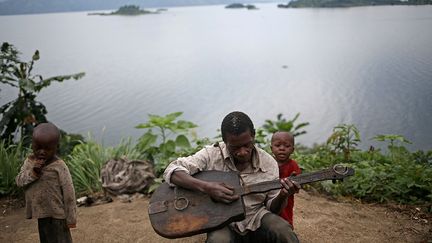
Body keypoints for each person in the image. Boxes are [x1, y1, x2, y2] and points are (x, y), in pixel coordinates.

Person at [164, 111, 300, 243]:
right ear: (224, 141)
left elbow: (273, 209)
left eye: (247, 145)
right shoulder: (211, 154)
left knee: (284, 231)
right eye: (234, 147)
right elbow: (172, 170)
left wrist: (283, 195)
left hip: (256, 217)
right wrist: (206, 187)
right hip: (222, 222)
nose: (242, 152)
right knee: (218, 240)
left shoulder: (269, 163)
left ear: (253, 135)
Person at [16, 123, 76, 243]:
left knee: (62, 239)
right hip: (41, 213)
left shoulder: (59, 166)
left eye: (47, 149)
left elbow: (69, 193)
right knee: (46, 238)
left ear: (56, 148)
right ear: (32, 144)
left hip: (59, 215)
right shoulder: (29, 162)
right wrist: (33, 173)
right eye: (38, 147)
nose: (42, 152)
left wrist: (71, 219)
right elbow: (19, 181)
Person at [271, 131, 302, 228]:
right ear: (271, 148)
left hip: (287, 198)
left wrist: (295, 183)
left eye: (287, 146)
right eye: (277, 145)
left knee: (285, 214)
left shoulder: (293, 165)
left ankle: (287, 229)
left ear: (292, 149)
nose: (282, 148)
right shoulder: (268, 163)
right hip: (270, 196)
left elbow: (299, 183)